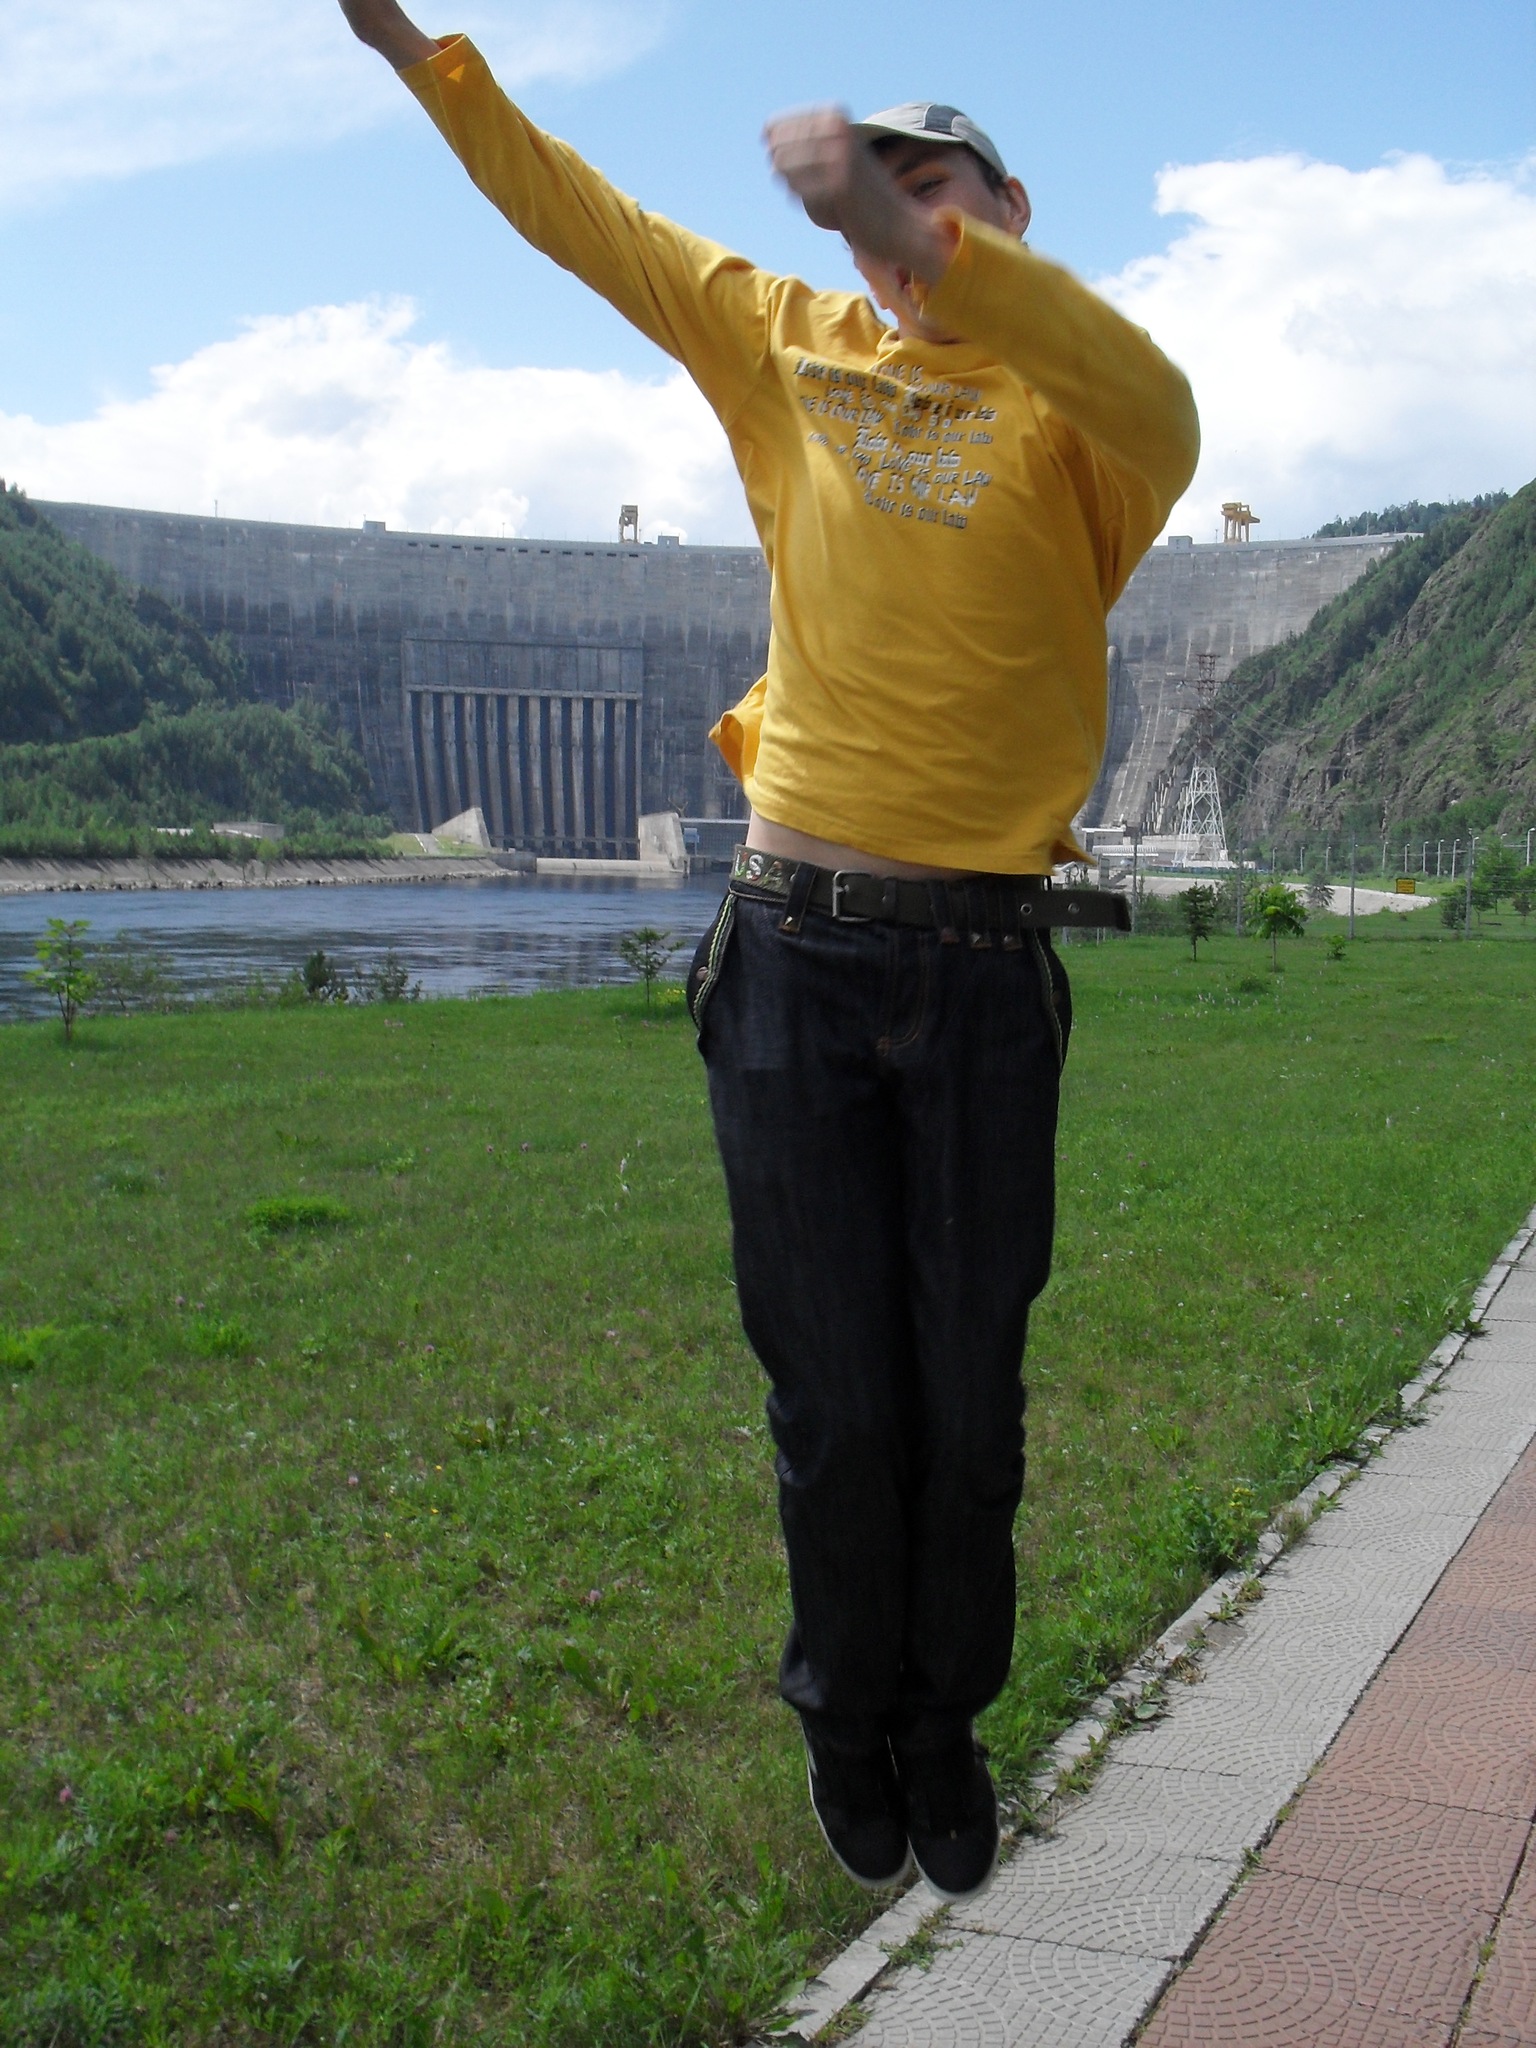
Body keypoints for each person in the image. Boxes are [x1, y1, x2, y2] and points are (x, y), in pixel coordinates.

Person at [338, 0, 1199, 1907]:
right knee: (835, 1398)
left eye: (943, 187)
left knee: (967, 1403)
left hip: (983, 977)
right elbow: (585, 219)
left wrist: (900, 224)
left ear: (1011, 213)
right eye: (886, 185)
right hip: (797, 959)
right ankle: (845, 1714)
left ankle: (944, 1719)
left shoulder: (1096, 420)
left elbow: (1139, 377)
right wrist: (422, 57)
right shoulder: (783, 341)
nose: (905, 218)